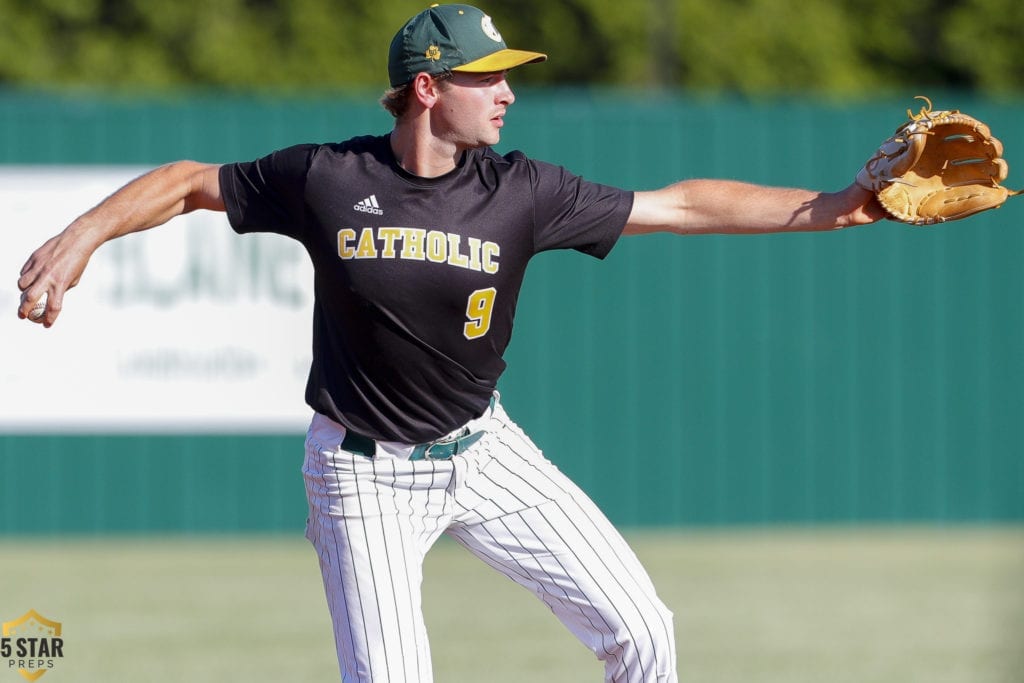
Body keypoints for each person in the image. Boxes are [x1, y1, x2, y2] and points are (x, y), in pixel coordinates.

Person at [17, 4, 885, 681]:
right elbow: (187, 184)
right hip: (364, 473)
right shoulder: (329, 179)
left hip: (484, 447)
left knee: (644, 632)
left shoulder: (523, 191)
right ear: (429, 87)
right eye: (488, 76)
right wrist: (81, 235)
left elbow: (684, 204)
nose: (508, 91)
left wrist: (843, 205)